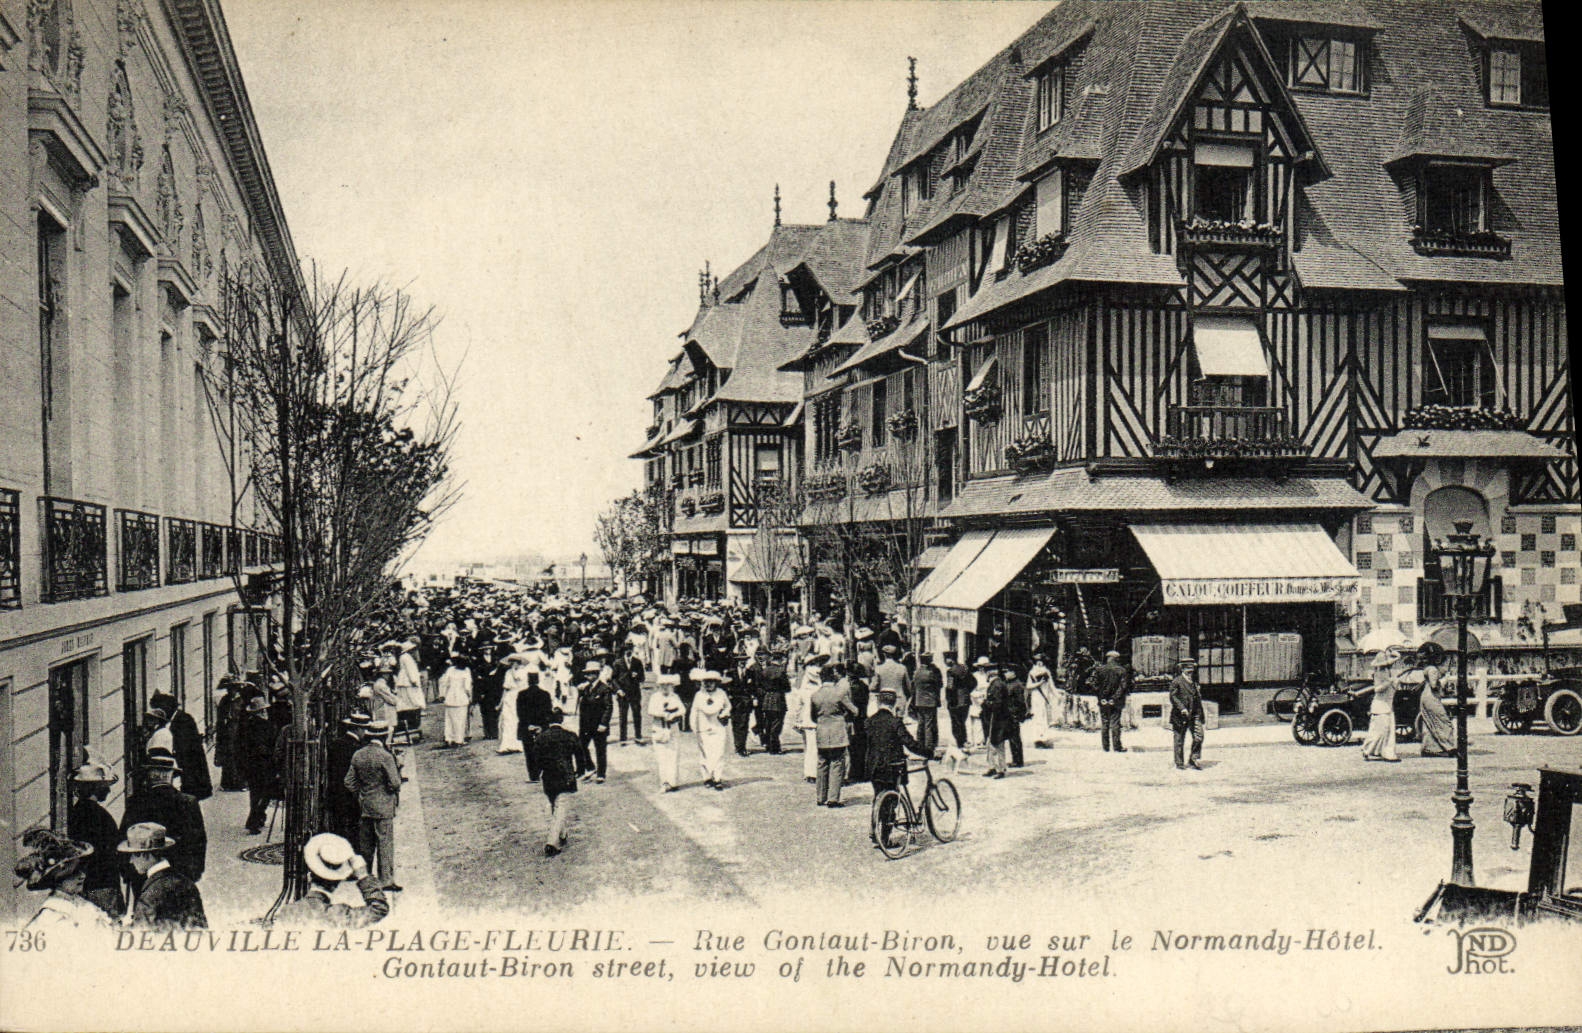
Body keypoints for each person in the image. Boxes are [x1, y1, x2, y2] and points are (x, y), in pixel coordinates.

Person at [121, 753, 207, 884]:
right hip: (180, 876)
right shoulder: (188, 802)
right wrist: (194, 874)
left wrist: (129, 874)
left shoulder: (137, 802)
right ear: (170, 776)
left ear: (150, 775)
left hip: (144, 876)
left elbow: (124, 838)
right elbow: (198, 842)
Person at [274, 833, 390, 928]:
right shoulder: (339, 915)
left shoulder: (287, 912)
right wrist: (364, 876)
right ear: (337, 882)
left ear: (309, 875)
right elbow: (379, 909)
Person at [345, 721, 402, 892]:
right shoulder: (385, 756)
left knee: (366, 845)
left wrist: (361, 794)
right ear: (384, 736)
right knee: (384, 843)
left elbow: (348, 781)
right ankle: (386, 880)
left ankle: (365, 876)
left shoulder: (358, 755)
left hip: (365, 805)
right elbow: (395, 782)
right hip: (383, 806)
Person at [14, 828, 109, 930]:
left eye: (82, 869)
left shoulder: (85, 906)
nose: (82, 876)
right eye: (73, 872)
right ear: (57, 877)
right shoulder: (52, 916)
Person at [120, 823, 207, 930]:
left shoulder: (151, 893)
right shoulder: (187, 883)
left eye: (133, 854)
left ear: (144, 854)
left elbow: (140, 936)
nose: (131, 860)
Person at [67, 761, 125, 917]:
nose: (108, 790)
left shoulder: (74, 814)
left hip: (81, 886)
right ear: (95, 787)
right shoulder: (102, 817)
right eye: (104, 785)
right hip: (104, 886)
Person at [866, 688, 930, 804]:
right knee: (892, 796)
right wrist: (928, 752)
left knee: (879, 794)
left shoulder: (869, 721)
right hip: (892, 766)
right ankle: (889, 817)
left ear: (879, 702)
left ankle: (879, 819)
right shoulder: (895, 722)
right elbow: (909, 743)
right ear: (894, 703)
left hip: (874, 765)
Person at [537, 710, 586, 856]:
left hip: (548, 777)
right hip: (566, 776)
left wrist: (538, 772)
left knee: (555, 806)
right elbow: (579, 754)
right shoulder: (570, 736)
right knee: (560, 807)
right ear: (561, 719)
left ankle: (562, 834)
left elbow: (536, 758)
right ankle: (552, 842)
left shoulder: (541, 737)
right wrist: (580, 770)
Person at [152, 694, 213, 801]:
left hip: (190, 766)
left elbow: (184, 747)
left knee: (190, 795)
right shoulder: (175, 719)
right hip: (186, 765)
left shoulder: (184, 720)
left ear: (169, 708)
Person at [811, 665, 856, 807]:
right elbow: (854, 711)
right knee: (837, 763)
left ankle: (820, 796)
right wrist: (842, 714)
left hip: (822, 732)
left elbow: (813, 716)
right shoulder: (839, 693)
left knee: (822, 763)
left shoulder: (815, 695)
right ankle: (833, 798)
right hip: (837, 732)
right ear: (833, 677)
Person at [236, 693, 277, 834]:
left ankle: (257, 819)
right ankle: (254, 821)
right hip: (264, 765)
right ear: (260, 712)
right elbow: (269, 746)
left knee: (255, 795)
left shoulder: (246, 725)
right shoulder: (267, 726)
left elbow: (241, 746)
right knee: (265, 794)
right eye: (263, 710)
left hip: (251, 766)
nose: (265, 712)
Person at [325, 714, 369, 841]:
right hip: (350, 796)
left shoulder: (335, 743)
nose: (365, 733)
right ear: (357, 729)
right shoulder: (358, 748)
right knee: (353, 830)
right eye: (364, 729)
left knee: (338, 829)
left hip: (335, 794)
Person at [691, 670, 732, 790]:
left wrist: (724, 713)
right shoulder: (699, 695)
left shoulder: (721, 693)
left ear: (716, 683)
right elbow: (693, 712)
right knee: (705, 754)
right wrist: (694, 727)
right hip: (703, 728)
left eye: (711, 682)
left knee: (718, 753)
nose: (708, 684)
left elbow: (728, 706)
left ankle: (717, 778)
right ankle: (707, 777)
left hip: (717, 726)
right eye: (706, 682)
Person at [1360, 648, 1402, 763]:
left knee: (1388, 731)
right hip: (1380, 706)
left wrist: (1391, 651)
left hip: (1387, 706)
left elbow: (1397, 656)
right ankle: (1367, 749)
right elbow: (1377, 689)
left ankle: (1387, 753)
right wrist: (1389, 682)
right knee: (1380, 731)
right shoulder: (1378, 674)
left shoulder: (1388, 673)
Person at [647, 674, 687, 791]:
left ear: (672, 686)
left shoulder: (674, 697)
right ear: (659, 686)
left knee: (673, 755)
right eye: (663, 685)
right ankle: (664, 782)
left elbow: (683, 709)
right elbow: (650, 710)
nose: (665, 687)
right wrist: (664, 714)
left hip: (673, 729)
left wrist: (674, 714)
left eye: (668, 685)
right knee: (661, 757)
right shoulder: (655, 697)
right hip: (659, 728)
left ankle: (673, 782)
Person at [578, 660, 614, 783]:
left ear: (596, 674)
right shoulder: (586, 688)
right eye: (586, 674)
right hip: (586, 725)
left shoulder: (604, 689)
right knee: (581, 746)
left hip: (599, 725)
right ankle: (590, 767)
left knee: (600, 749)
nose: (587, 677)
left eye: (589, 674)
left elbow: (609, 707)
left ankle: (601, 773)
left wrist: (604, 723)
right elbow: (582, 707)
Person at [516, 672, 555, 783]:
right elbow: (548, 712)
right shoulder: (545, 694)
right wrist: (541, 726)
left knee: (529, 752)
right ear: (538, 681)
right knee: (543, 751)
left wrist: (529, 725)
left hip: (526, 727)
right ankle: (544, 772)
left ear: (528, 681)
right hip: (542, 727)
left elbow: (520, 713)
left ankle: (534, 776)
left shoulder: (521, 694)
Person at [1169, 657, 1206, 771]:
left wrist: (1200, 713)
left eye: (1192, 668)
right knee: (1179, 739)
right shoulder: (1177, 681)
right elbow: (1173, 697)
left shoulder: (1194, 682)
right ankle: (1179, 763)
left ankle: (1194, 758)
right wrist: (1182, 708)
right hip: (1181, 715)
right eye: (1187, 668)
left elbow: (1197, 698)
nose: (1190, 670)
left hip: (1195, 714)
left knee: (1199, 736)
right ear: (1182, 669)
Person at [1091, 649, 1131, 753]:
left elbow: (1094, 684)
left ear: (1108, 658)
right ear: (1116, 659)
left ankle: (1105, 747)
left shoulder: (1100, 669)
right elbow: (1123, 686)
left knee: (1105, 723)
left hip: (1103, 701)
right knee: (1115, 723)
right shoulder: (1121, 670)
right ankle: (1117, 747)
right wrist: (1114, 698)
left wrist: (1102, 697)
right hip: (1116, 701)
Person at [1417, 661, 1456, 757]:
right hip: (1431, 698)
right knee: (1443, 721)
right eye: (1444, 664)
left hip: (1427, 697)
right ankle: (1449, 747)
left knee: (1430, 723)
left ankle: (1429, 748)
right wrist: (1444, 679)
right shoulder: (1433, 670)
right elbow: (1434, 685)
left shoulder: (1428, 668)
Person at [981, 664, 1010, 778]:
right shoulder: (996, 684)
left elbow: (997, 704)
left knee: (997, 743)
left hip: (997, 719)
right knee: (991, 743)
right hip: (994, 718)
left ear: (990, 673)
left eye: (987, 671)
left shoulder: (997, 685)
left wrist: (985, 703)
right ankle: (992, 767)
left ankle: (1000, 769)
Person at [498, 653, 530, 755]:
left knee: (517, 720)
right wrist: (501, 702)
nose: (512, 664)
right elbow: (506, 688)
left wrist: (513, 671)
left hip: (519, 696)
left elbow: (517, 679)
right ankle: (506, 746)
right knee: (507, 721)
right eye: (511, 662)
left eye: (514, 662)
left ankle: (517, 745)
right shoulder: (508, 673)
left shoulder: (523, 672)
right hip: (509, 697)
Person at [910, 653, 942, 757]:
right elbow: (939, 684)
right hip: (930, 701)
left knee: (921, 723)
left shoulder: (917, 672)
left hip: (919, 701)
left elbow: (913, 687)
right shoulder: (931, 673)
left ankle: (920, 744)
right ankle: (929, 747)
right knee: (929, 725)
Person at [394, 640, 425, 743]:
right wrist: (415, 681)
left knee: (406, 701)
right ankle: (412, 725)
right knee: (412, 701)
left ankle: (408, 723)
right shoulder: (407, 658)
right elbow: (410, 671)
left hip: (404, 681)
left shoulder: (404, 657)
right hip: (408, 682)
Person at [439, 653, 473, 746]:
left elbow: (444, 683)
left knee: (449, 719)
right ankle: (459, 740)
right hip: (461, 697)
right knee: (460, 719)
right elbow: (467, 687)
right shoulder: (466, 671)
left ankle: (449, 738)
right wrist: (470, 697)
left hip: (450, 697)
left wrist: (443, 694)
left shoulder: (450, 670)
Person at [615, 645, 645, 745]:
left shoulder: (637, 662)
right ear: (624, 651)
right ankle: (623, 738)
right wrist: (618, 689)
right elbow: (613, 679)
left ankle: (638, 736)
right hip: (622, 693)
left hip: (634, 692)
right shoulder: (618, 663)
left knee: (637, 714)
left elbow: (642, 677)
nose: (628, 652)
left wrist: (637, 676)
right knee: (623, 716)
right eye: (626, 650)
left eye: (630, 650)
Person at [1027, 653, 1058, 746]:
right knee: (1037, 718)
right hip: (1036, 697)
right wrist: (1039, 683)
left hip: (1044, 698)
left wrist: (1057, 695)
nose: (1039, 663)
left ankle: (1043, 738)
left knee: (1044, 718)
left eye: (1041, 662)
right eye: (1037, 662)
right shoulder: (1032, 672)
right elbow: (1028, 686)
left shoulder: (1046, 672)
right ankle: (1037, 739)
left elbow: (1051, 686)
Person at [944, 652, 973, 750]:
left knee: (956, 724)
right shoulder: (964, 668)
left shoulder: (951, 671)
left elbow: (950, 687)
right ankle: (964, 742)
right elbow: (974, 682)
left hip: (955, 701)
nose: (945, 661)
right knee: (962, 722)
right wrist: (967, 691)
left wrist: (949, 700)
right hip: (965, 700)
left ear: (951, 659)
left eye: (946, 659)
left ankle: (961, 744)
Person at [726, 666, 757, 757]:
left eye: (744, 660)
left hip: (746, 703)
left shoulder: (749, 672)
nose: (742, 662)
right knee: (736, 724)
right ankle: (738, 746)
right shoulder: (731, 672)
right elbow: (726, 686)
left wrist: (753, 697)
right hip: (735, 703)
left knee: (744, 724)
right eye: (740, 660)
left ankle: (742, 747)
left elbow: (753, 686)